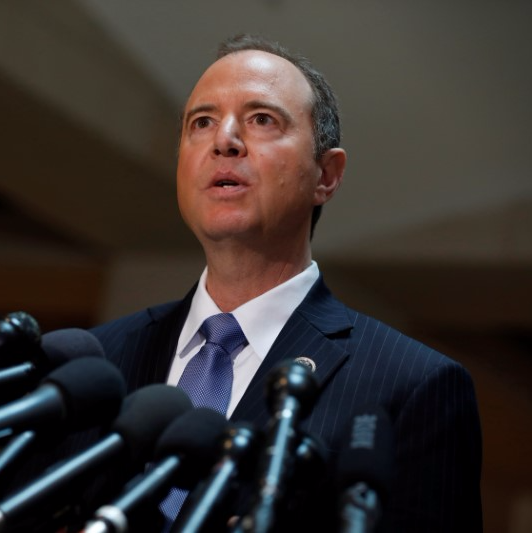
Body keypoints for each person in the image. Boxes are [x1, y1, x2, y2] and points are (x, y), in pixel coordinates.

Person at [84, 34, 482, 532]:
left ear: (327, 176)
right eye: (201, 122)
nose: (223, 140)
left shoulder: (412, 386)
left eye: (261, 120)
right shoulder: (96, 362)